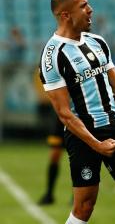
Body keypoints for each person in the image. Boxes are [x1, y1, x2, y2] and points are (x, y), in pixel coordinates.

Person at [39, 0, 115, 224]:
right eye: (83, 6)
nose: (90, 10)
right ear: (65, 15)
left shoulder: (98, 42)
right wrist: (97, 145)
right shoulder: (52, 56)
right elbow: (64, 113)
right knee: (84, 207)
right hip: (83, 135)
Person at [34, 72, 66, 205]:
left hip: (76, 115)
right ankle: (49, 193)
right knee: (54, 155)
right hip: (60, 117)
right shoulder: (52, 65)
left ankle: (76, 196)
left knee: (77, 157)